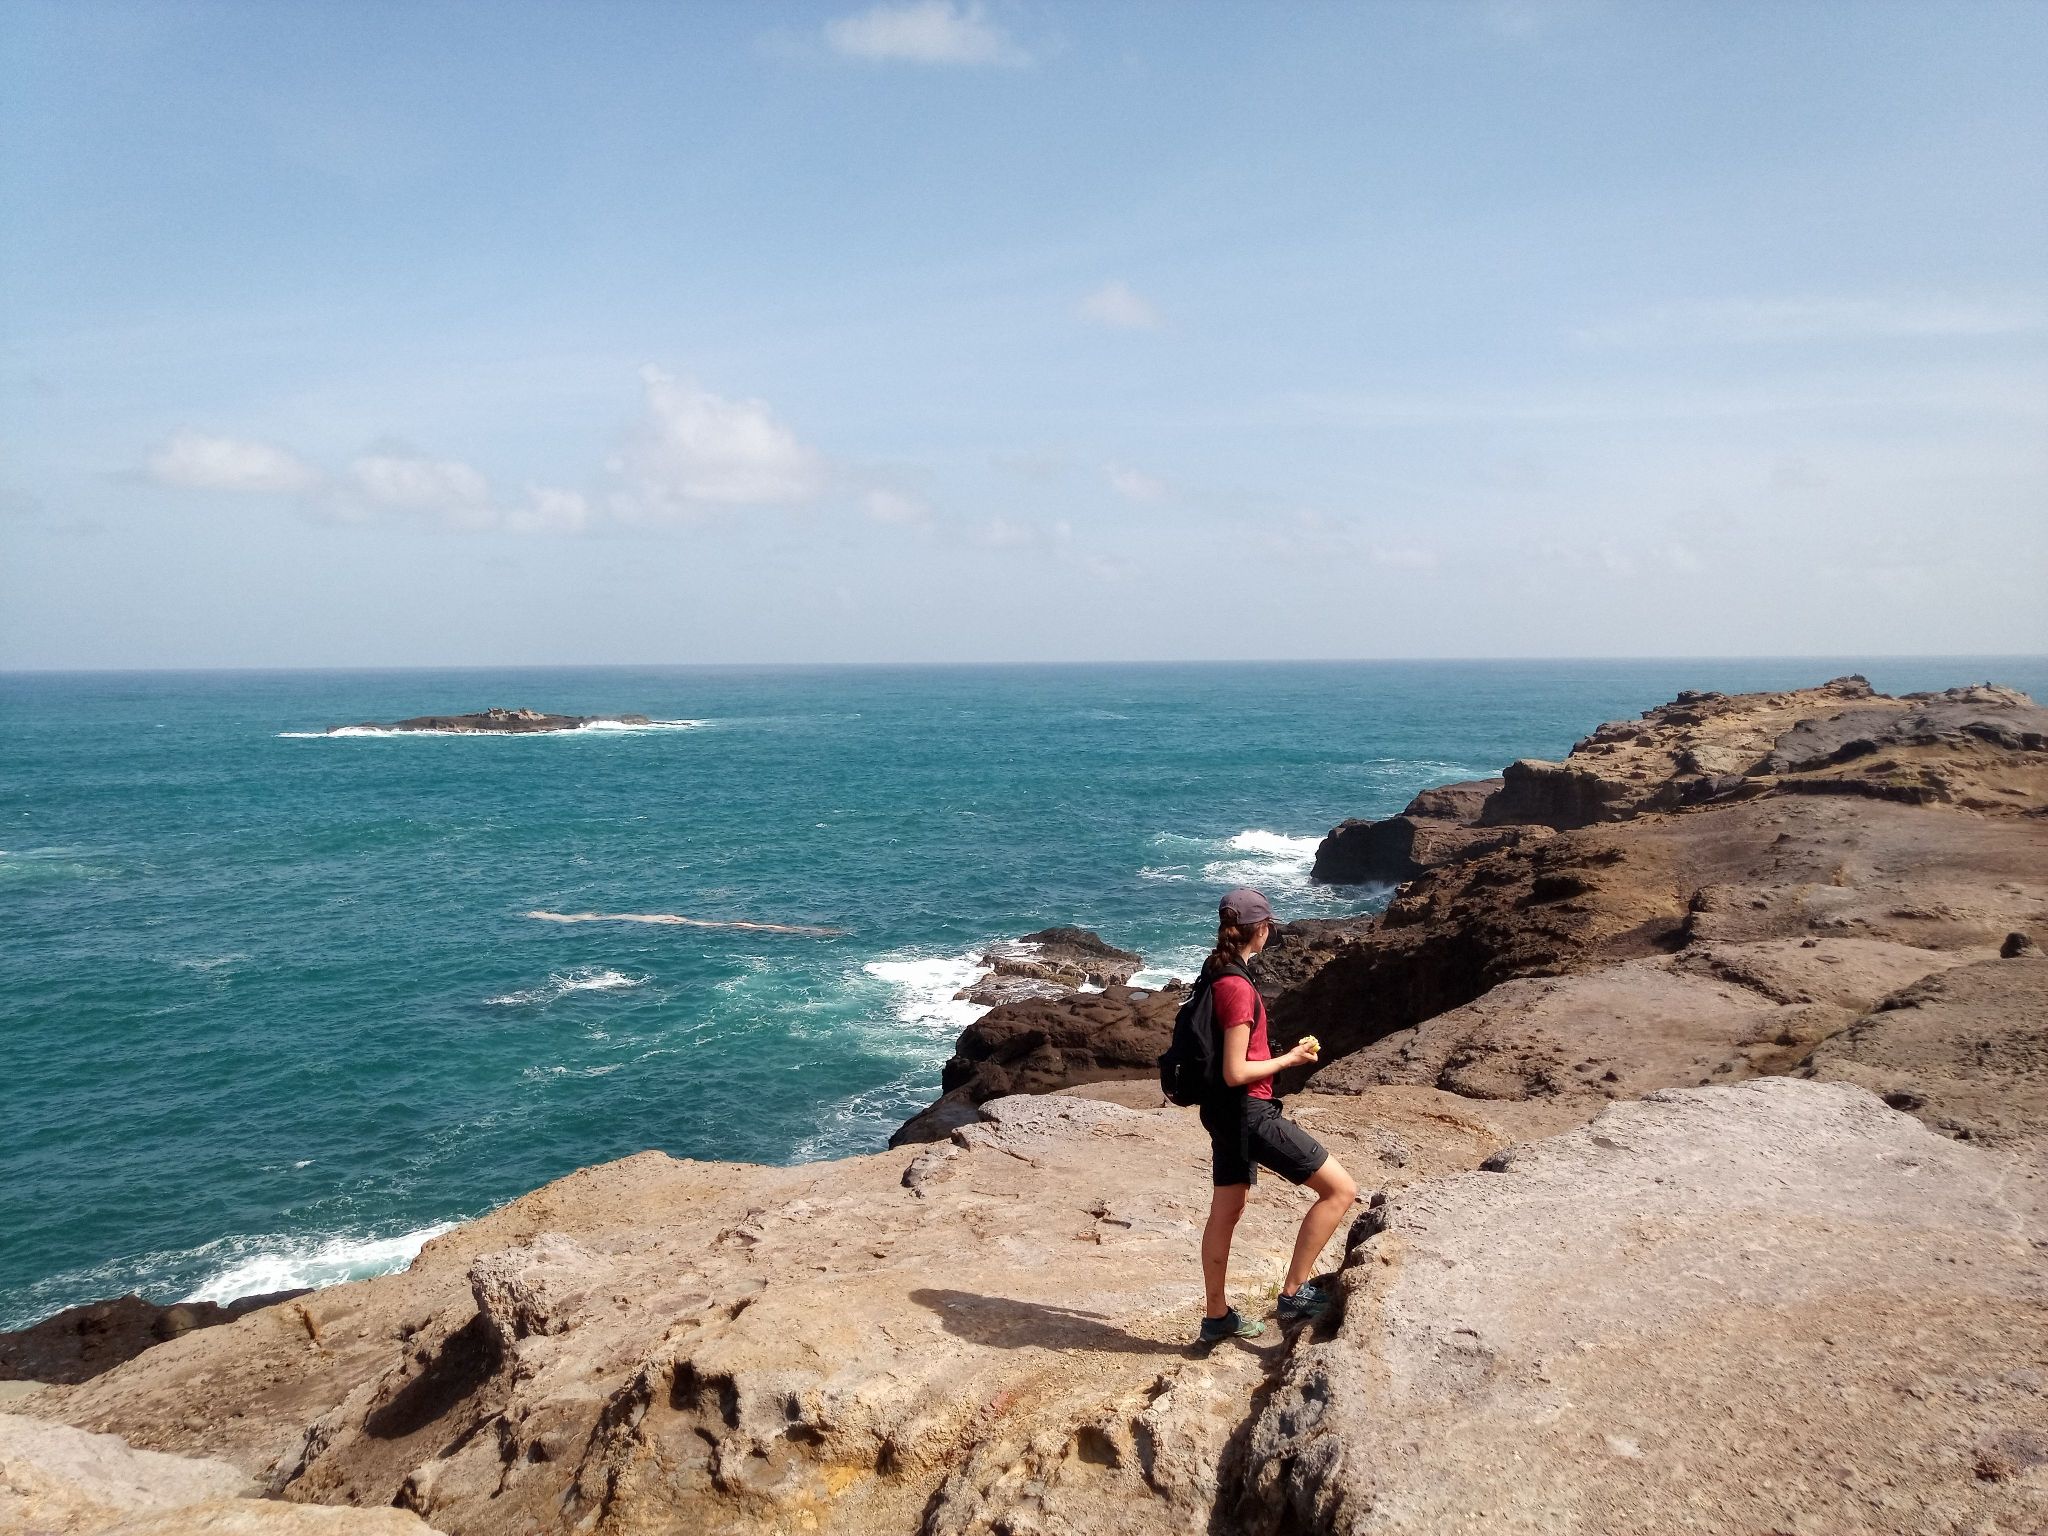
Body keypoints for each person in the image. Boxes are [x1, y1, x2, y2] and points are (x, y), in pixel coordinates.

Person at [1194, 885, 1359, 1348]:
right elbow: (1235, 1071)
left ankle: (1216, 1317)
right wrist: (1290, 1059)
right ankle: (1293, 1294)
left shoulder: (1214, 971)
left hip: (1222, 1111)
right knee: (1340, 1190)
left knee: (1226, 1211)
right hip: (1247, 1111)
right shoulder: (1237, 987)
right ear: (1262, 929)